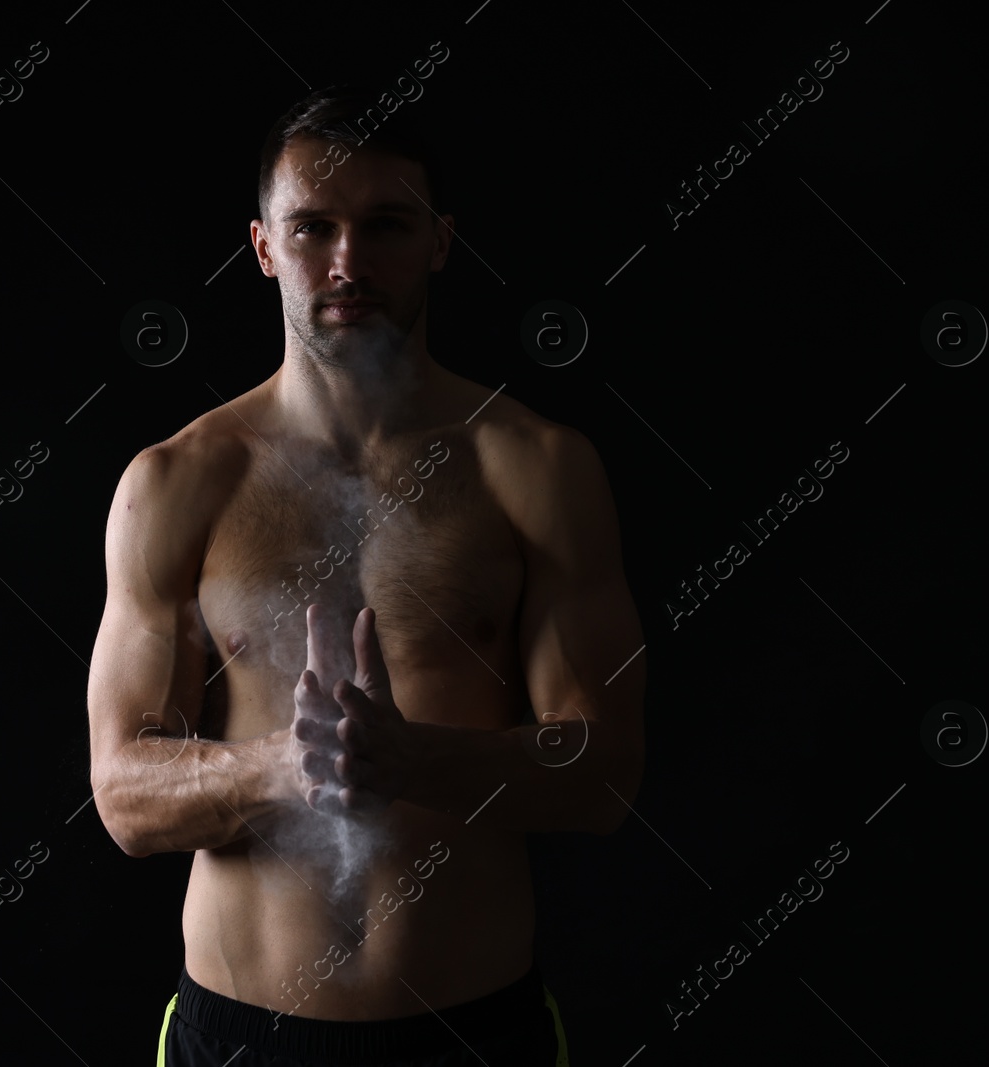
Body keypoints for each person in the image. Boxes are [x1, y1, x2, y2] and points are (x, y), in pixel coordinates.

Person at [86, 84, 646, 1066]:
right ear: (263, 246)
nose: (348, 260)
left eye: (386, 224)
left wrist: (410, 759)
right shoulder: (176, 482)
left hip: (473, 1030)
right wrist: (287, 767)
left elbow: (603, 774)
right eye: (313, 227)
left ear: (438, 240)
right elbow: (124, 796)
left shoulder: (535, 467)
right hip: (240, 1035)